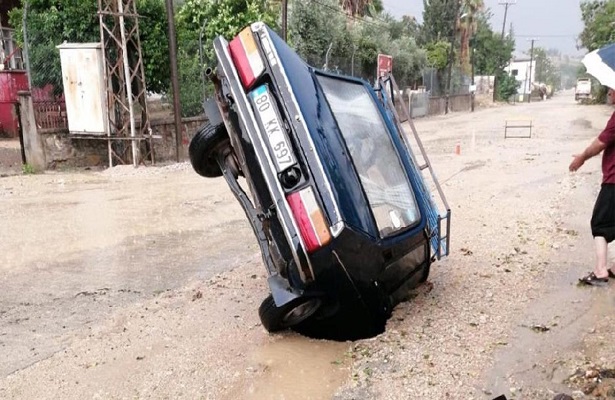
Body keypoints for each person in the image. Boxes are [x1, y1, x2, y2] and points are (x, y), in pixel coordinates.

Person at [570, 87, 615, 286]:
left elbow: (600, 144)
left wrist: (582, 157)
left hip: (614, 180)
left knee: (599, 224)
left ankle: (600, 271)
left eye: (612, 90)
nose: (609, 93)